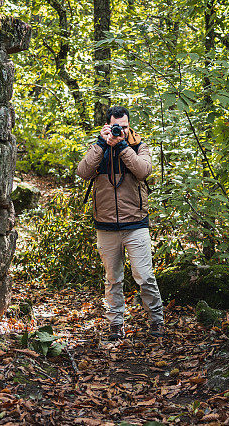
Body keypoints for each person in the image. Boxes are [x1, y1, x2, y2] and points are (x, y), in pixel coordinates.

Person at [76, 106, 165, 340]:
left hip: (135, 223)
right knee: (113, 279)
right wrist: (102, 143)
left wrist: (124, 146)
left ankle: (156, 321)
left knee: (145, 276)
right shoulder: (99, 147)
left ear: (128, 125)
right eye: (116, 126)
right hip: (105, 224)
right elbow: (83, 171)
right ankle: (115, 325)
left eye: (124, 127)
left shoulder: (138, 146)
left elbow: (143, 170)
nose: (120, 131)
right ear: (107, 125)